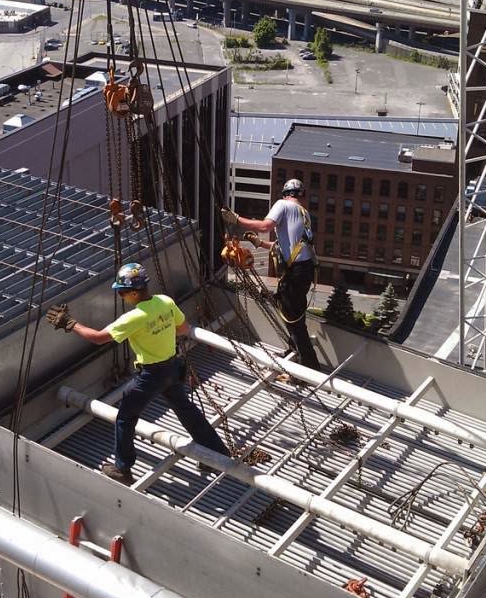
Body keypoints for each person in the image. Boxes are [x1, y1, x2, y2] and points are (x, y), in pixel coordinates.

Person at [46, 262, 229, 485]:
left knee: (125, 417)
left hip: (151, 376)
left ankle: (123, 468)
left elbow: (98, 338)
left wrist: (70, 323)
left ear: (133, 292)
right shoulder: (165, 301)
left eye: (121, 292)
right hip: (173, 367)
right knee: (186, 409)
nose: (121, 296)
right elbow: (182, 329)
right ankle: (216, 452)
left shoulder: (134, 318)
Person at [221, 179, 321, 370]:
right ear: (302, 196)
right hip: (304, 270)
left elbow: (266, 226)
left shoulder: (283, 204)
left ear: (285, 194)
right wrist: (260, 244)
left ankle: (309, 367)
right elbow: (286, 246)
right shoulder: (304, 214)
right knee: (293, 314)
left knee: (293, 318)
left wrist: (237, 219)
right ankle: (297, 352)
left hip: (296, 272)